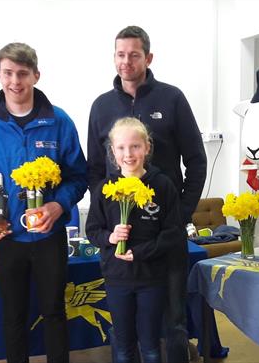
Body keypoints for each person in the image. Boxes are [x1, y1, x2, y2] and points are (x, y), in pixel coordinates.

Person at [0, 42, 87, 363]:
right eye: (7, 73)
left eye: (22, 73)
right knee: (13, 316)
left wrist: (58, 206)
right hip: (7, 237)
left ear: (36, 75)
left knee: (55, 312)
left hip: (49, 237)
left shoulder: (59, 121)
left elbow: (78, 177)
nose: (14, 81)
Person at [87, 25, 207, 362]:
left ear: (148, 57)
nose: (126, 61)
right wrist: (107, 214)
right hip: (121, 242)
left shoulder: (172, 98)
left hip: (163, 236)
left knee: (174, 322)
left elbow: (196, 161)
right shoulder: (101, 106)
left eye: (134, 55)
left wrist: (180, 215)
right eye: (120, 54)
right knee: (125, 332)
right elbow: (95, 169)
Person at [86, 117, 182, 363]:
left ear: (147, 147)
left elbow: (172, 233)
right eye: (121, 148)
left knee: (150, 345)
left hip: (151, 278)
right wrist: (110, 237)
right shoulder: (105, 189)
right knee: (123, 344)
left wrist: (141, 252)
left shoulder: (162, 186)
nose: (128, 154)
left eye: (135, 146)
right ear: (112, 152)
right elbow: (92, 230)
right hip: (117, 278)